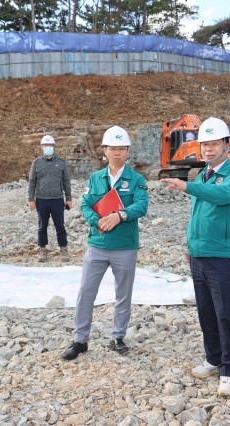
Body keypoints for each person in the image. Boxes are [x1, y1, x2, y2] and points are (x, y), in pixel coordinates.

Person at [161, 117, 230, 397]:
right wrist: (191, 247)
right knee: (207, 314)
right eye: (204, 144)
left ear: (226, 145)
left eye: (213, 143)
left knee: (226, 316)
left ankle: (229, 370)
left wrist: (187, 187)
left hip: (224, 258)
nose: (208, 150)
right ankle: (213, 358)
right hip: (199, 257)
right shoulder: (202, 175)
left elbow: (220, 196)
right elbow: (198, 215)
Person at [62, 126, 149, 361]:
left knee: (123, 293)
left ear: (127, 151)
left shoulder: (137, 180)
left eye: (121, 149)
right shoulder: (95, 178)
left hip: (124, 246)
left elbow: (141, 206)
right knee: (86, 292)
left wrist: (120, 215)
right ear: (105, 150)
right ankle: (80, 340)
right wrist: (98, 221)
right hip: (97, 245)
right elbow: (85, 205)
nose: (117, 153)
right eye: (113, 148)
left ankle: (118, 337)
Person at [28, 135, 72, 262]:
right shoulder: (36, 163)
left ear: (54, 147)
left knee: (60, 225)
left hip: (57, 199)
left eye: (50, 145)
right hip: (41, 200)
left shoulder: (61, 163)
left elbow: (66, 181)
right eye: (46, 146)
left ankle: (63, 249)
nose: (48, 148)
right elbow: (32, 182)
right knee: (42, 226)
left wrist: (68, 198)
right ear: (42, 147)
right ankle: (42, 250)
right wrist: (31, 199)